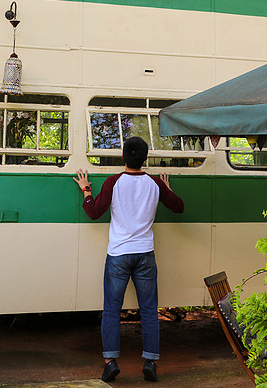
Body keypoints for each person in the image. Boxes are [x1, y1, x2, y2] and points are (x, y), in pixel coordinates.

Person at [74, 136, 185, 383]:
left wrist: (86, 190)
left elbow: (93, 212)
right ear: (145, 158)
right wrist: (167, 190)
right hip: (145, 254)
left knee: (112, 310)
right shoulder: (155, 184)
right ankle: (150, 363)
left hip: (118, 255)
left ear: (123, 156)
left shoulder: (114, 182)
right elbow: (179, 207)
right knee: (148, 310)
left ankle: (110, 362)